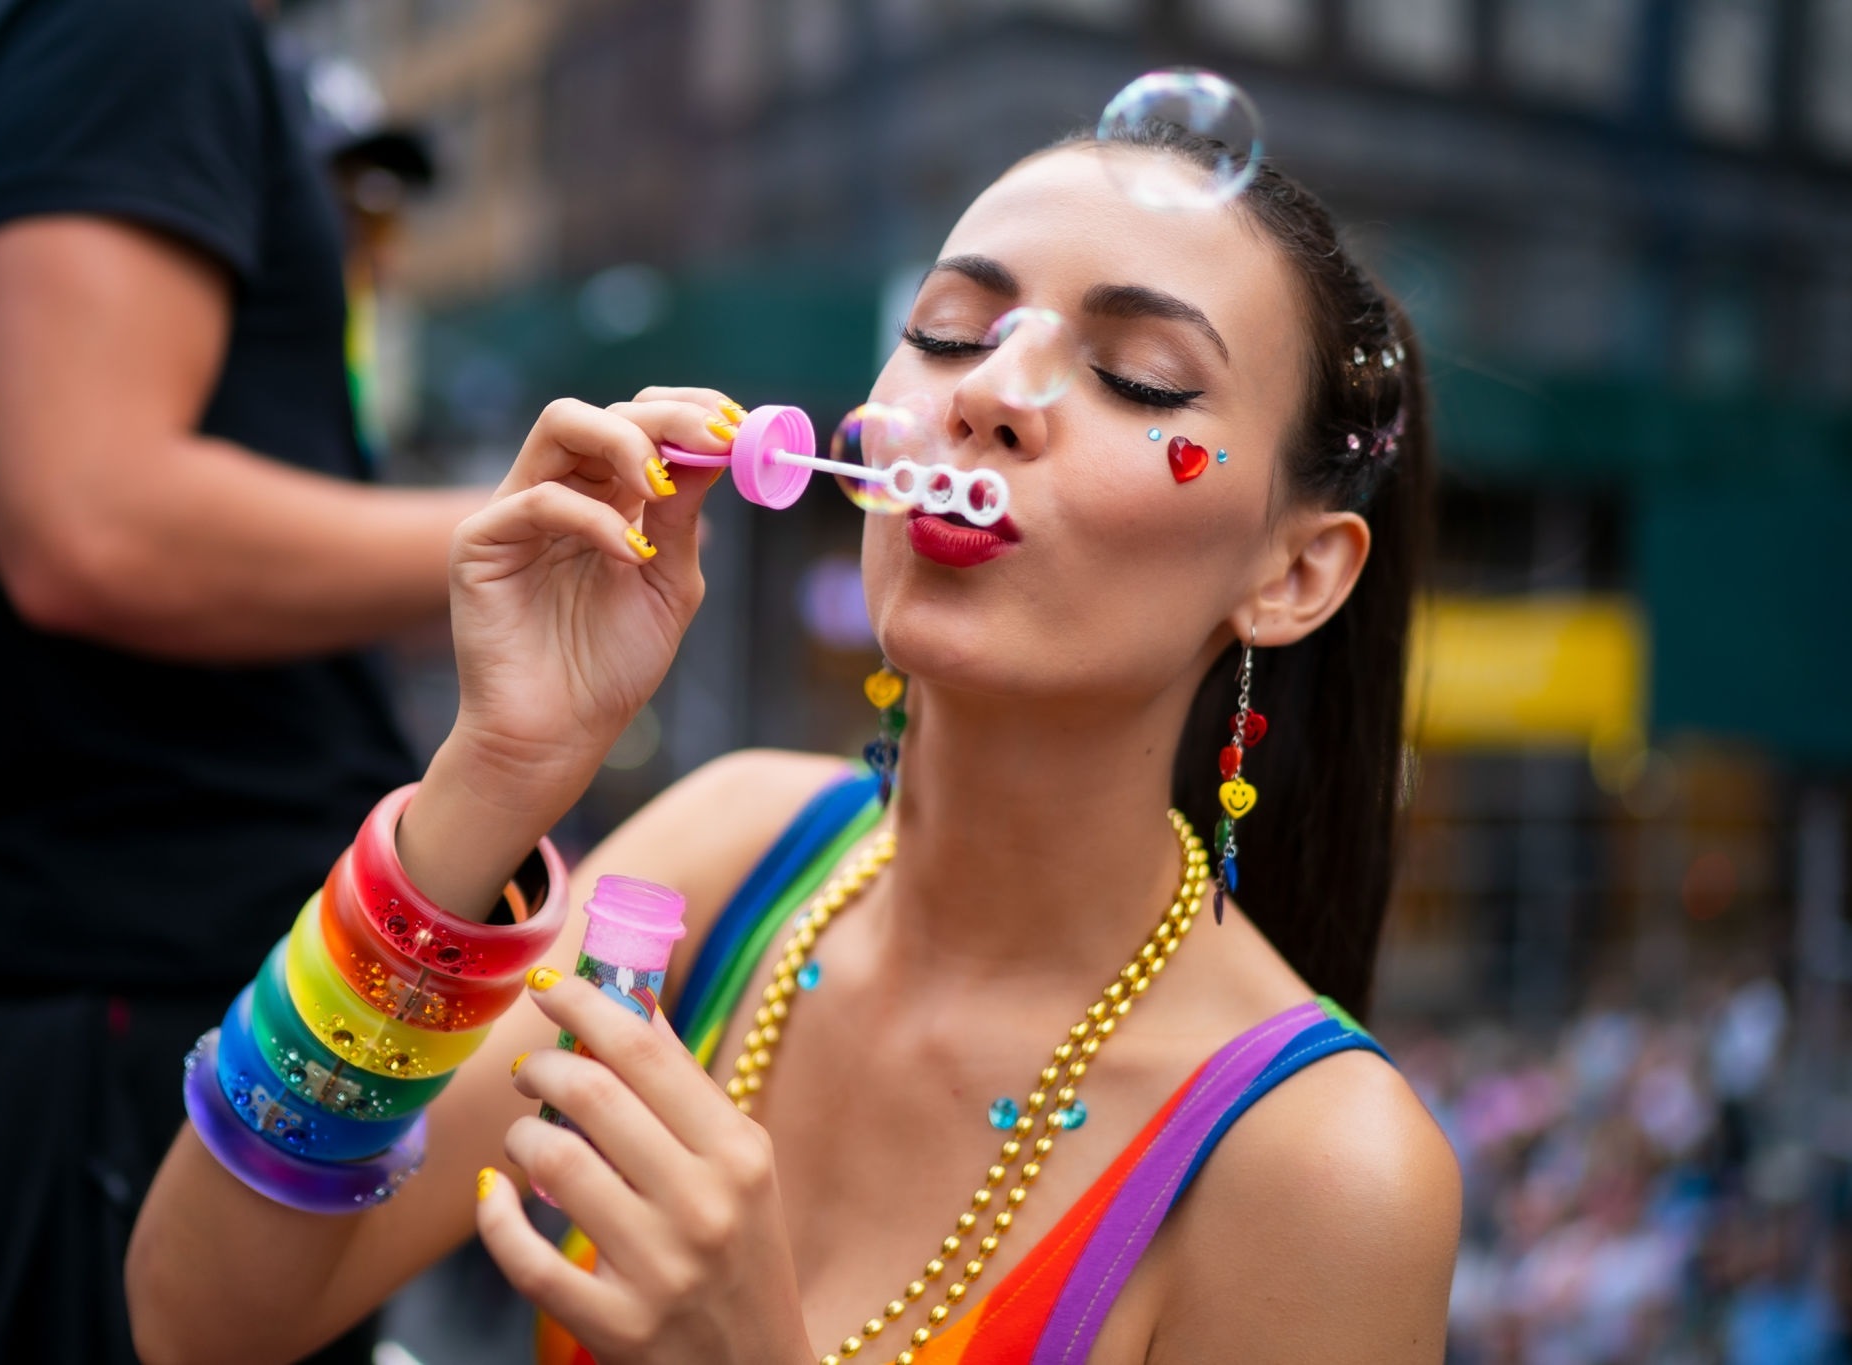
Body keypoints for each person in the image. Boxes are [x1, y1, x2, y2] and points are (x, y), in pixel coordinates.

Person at [125, 124, 1462, 1365]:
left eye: (1138, 377)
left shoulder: (1327, 1170)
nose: (992, 391)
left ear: (1296, 573)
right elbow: (198, 1314)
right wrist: (494, 774)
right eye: (945, 332)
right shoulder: (727, 857)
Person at [0, 0, 484, 1359]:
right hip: (137, 1029)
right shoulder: (139, 25)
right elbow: (91, 520)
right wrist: (518, 538)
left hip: (163, 1008)